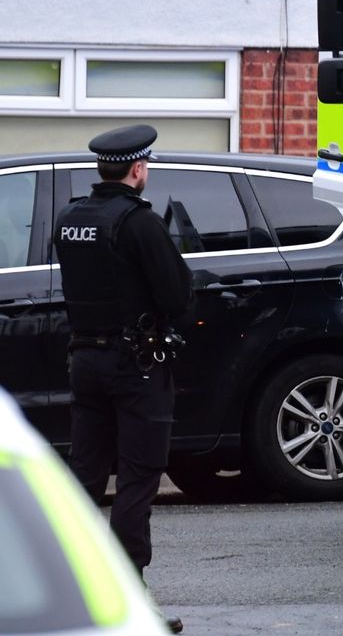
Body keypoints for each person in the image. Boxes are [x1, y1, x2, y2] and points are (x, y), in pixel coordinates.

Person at [54, 124, 193, 634]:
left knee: (83, 483)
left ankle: (64, 588)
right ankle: (130, 595)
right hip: (135, 367)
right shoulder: (139, 222)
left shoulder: (71, 218)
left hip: (84, 362)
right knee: (137, 479)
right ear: (138, 169)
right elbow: (176, 296)